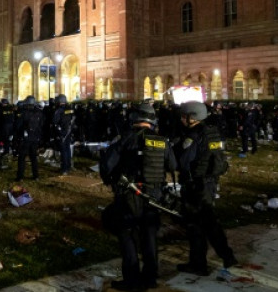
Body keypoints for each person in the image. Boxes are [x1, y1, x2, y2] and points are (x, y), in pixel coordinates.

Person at [98, 103, 176, 290]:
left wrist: (111, 180)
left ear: (134, 118)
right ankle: (150, 277)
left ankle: (131, 279)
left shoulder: (126, 139)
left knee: (127, 235)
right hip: (154, 195)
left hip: (129, 194)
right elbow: (172, 165)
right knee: (149, 236)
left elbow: (107, 165)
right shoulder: (161, 141)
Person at [174, 101, 237, 277]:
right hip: (210, 182)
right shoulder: (212, 133)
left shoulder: (193, 136)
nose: (182, 119)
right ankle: (226, 255)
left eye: (184, 116)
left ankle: (198, 264)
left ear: (191, 118)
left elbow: (183, 162)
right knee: (209, 221)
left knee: (195, 225)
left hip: (196, 184)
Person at [14, 96, 44, 182]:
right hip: (35, 138)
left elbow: (17, 126)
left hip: (25, 138)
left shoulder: (23, 112)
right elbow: (41, 125)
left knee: (22, 158)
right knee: (33, 157)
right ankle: (36, 176)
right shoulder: (39, 112)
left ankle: (20, 177)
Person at [52, 94, 76, 175]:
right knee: (68, 149)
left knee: (63, 151)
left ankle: (64, 169)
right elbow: (73, 120)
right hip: (69, 132)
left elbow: (55, 122)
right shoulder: (70, 109)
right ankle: (68, 166)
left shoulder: (59, 110)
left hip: (61, 133)